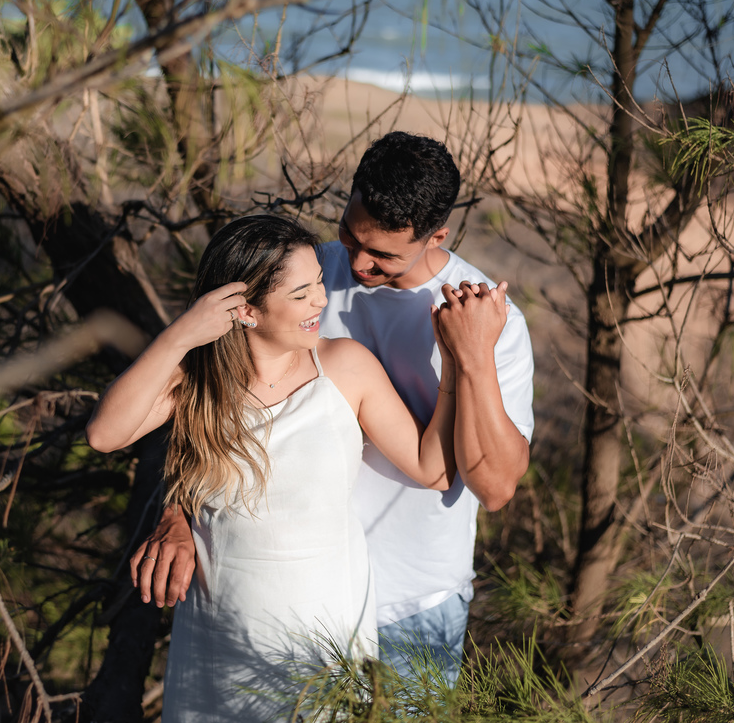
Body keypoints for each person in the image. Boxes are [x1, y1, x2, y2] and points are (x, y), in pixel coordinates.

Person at [132, 132, 535, 687]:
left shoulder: (492, 322)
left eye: (383, 254)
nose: (358, 263)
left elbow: (494, 488)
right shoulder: (301, 280)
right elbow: (203, 393)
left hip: (411, 606)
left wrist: (472, 358)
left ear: (435, 236)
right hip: (286, 596)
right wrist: (178, 511)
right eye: (350, 235)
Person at [87, 214, 466, 721]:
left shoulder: (345, 367)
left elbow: (434, 468)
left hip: (325, 637)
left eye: (318, 285)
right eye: (302, 292)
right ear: (245, 309)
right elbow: (104, 435)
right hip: (220, 640)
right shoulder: (197, 380)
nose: (321, 302)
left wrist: (457, 365)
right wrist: (181, 335)